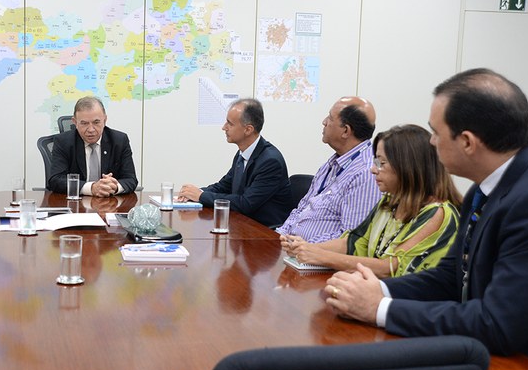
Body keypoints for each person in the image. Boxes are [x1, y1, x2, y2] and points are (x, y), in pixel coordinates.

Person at [324, 68, 528, 370]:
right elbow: (450, 276)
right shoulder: (486, 188)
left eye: (436, 132)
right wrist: (377, 289)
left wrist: (379, 308)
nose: (430, 142)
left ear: (468, 142)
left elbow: (497, 323)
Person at [282, 125, 462, 277]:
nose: (373, 170)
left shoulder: (437, 213)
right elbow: (353, 242)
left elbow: (391, 268)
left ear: (408, 168)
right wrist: (303, 248)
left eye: (382, 163)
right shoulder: (389, 202)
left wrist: (319, 255)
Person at [276, 96, 381, 242]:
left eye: (330, 118)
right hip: (294, 249)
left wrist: (305, 247)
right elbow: (302, 208)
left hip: (316, 258)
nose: (324, 122)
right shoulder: (334, 161)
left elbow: (350, 239)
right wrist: (280, 235)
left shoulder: (366, 173)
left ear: (345, 131)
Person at [178, 98, 292, 227]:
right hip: (242, 225)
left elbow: (246, 203)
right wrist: (193, 193)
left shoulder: (270, 161)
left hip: (263, 233)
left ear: (248, 129)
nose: (224, 127)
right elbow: (224, 186)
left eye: (230, 124)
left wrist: (201, 196)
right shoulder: (242, 153)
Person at [47, 96, 138, 197]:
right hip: (76, 205)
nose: (91, 129)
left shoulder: (119, 140)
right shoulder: (63, 142)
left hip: (109, 205)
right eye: (84, 123)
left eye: (96, 122)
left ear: (105, 120)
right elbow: (55, 180)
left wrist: (114, 187)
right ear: (75, 122)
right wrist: (91, 188)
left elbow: (131, 179)